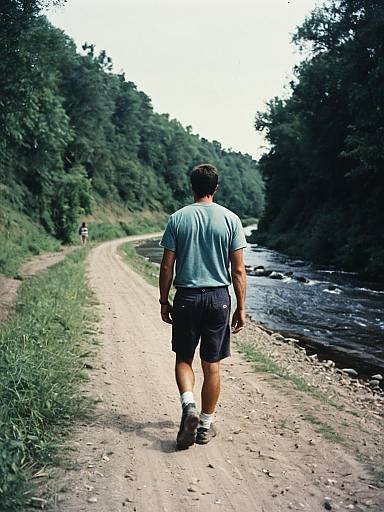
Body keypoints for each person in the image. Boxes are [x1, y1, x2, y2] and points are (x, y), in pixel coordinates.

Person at [159, 163, 247, 450]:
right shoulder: (231, 220)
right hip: (219, 299)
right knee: (212, 365)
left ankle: (189, 407)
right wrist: (241, 307)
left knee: (184, 358)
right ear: (216, 188)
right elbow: (238, 271)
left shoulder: (177, 218)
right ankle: (206, 426)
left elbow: (167, 264)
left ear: (192, 186)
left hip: (187, 298)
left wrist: (164, 300)